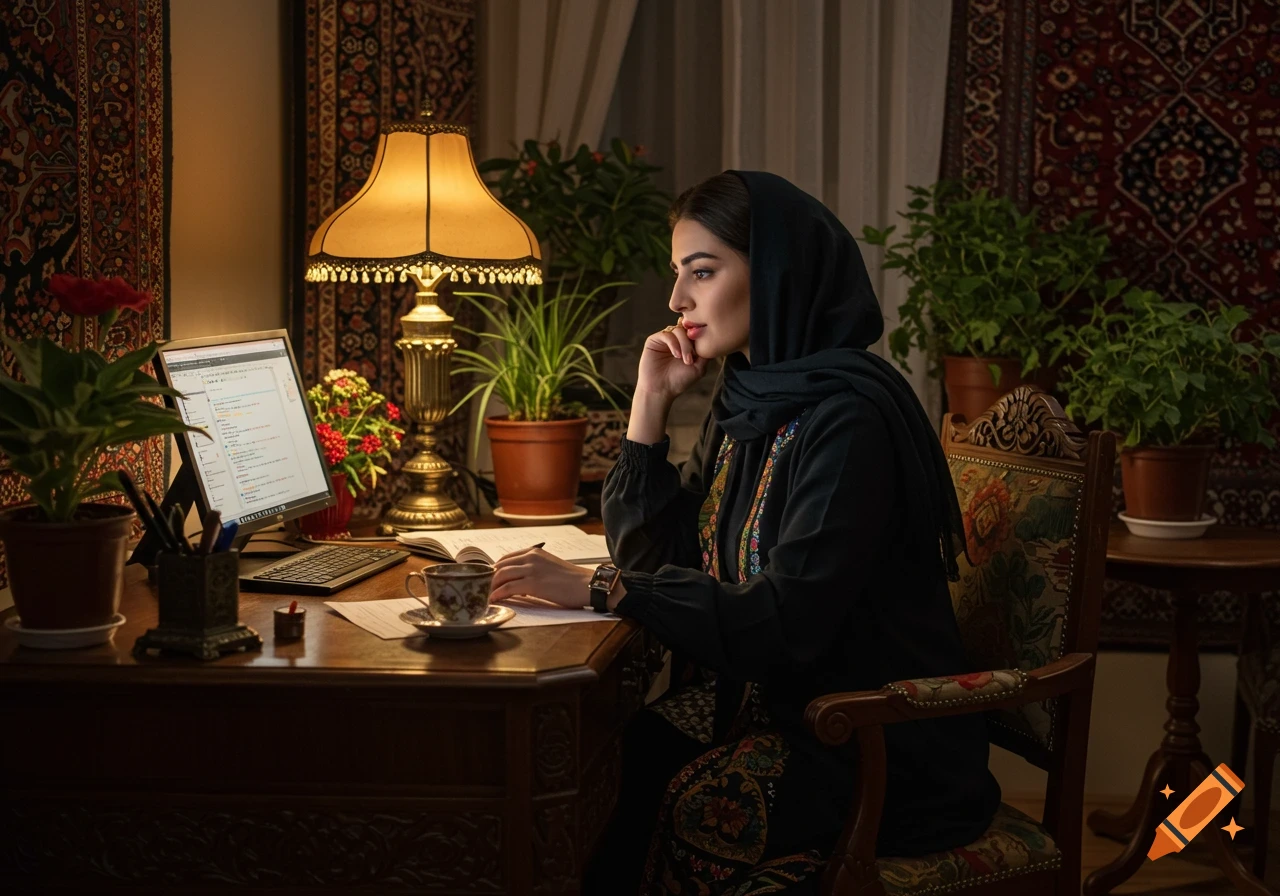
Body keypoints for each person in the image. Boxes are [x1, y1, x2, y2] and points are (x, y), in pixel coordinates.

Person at [489, 171, 1002, 894]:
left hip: (871, 741)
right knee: (614, 752)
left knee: (682, 793)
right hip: (777, 707)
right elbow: (658, 556)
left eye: (702, 271)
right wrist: (648, 406)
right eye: (678, 274)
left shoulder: (847, 422)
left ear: (777, 272)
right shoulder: (753, 398)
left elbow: (786, 622)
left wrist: (604, 588)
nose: (676, 302)